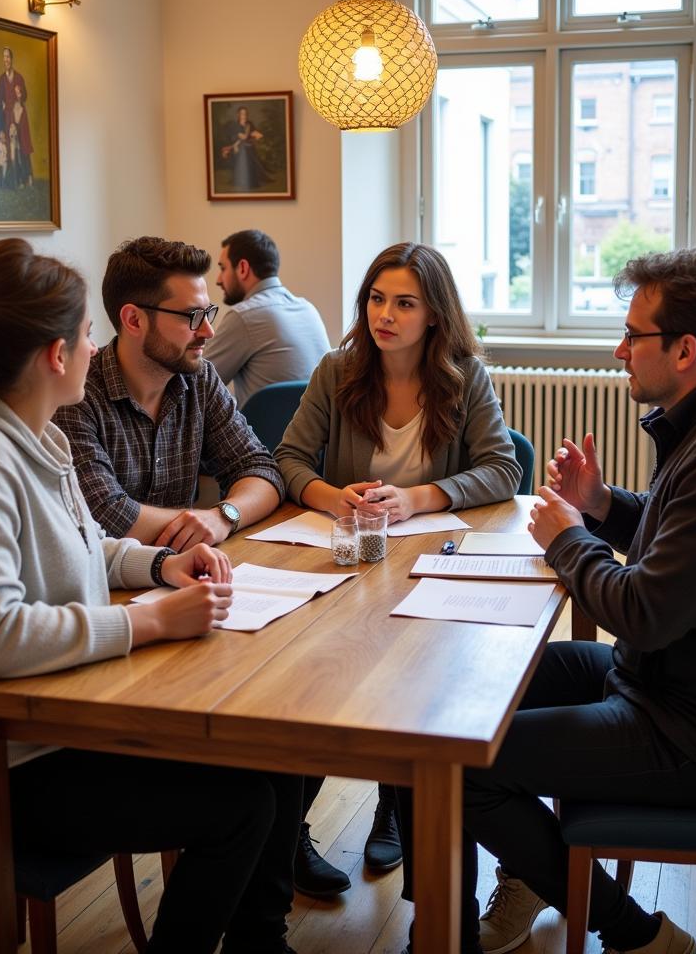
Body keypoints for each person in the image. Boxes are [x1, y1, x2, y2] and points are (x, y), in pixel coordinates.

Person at [0, 238, 299, 954]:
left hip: (48, 719)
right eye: (82, 334)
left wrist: (158, 567)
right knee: (240, 808)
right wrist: (147, 622)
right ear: (53, 354)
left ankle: (260, 941)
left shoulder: (32, 438)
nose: (91, 346)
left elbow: (87, 546)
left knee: (270, 757)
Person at [412, 248, 696, 954]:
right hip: (675, 684)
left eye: (635, 336)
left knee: (459, 765)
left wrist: (569, 539)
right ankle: (522, 875)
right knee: (456, 698)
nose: (620, 349)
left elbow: (642, 611)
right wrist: (599, 504)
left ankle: (638, 934)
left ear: (687, 350)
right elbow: (679, 545)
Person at [275, 241, 522, 901]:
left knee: (417, 685)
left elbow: (504, 468)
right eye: (377, 299)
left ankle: (396, 805)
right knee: (311, 682)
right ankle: (286, 834)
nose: (385, 315)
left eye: (404, 303)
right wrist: (336, 497)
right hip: (352, 560)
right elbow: (289, 458)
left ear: (435, 314)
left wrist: (417, 497)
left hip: (432, 565)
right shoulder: (338, 370)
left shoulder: (465, 376)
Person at [54, 235, 283, 553]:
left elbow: (262, 469)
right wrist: (199, 523)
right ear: (134, 320)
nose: (208, 331)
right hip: (109, 587)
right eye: (192, 317)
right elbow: (106, 515)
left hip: (186, 573)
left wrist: (223, 516)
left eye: (208, 313)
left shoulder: (199, 377)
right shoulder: (77, 394)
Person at [208, 229, 330, 408]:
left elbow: (195, 384)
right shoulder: (308, 308)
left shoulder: (244, 316)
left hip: (263, 436)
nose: (218, 279)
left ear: (242, 268)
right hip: (316, 434)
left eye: (223, 268)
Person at [221, 106, 268, 191]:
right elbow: (238, 137)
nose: (244, 115)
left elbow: (256, 135)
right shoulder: (235, 125)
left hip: (248, 147)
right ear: (238, 114)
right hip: (238, 148)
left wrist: (255, 135)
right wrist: (238, 142)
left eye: (245, 114)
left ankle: (252, 181)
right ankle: (242, 181)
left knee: (249, 151)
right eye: (242, 114)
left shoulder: (249, 124)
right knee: (244, 152)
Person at [0, 46, 25, 145]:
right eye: (4, 57)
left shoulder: (19, 77)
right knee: (7, 147)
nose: (6, 59)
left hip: (17, 117)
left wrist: (19, 95)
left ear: (11, 59)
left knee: (19, 148)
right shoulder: (1, 79)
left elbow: (24, 96)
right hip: (6, 118)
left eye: (8, 57)